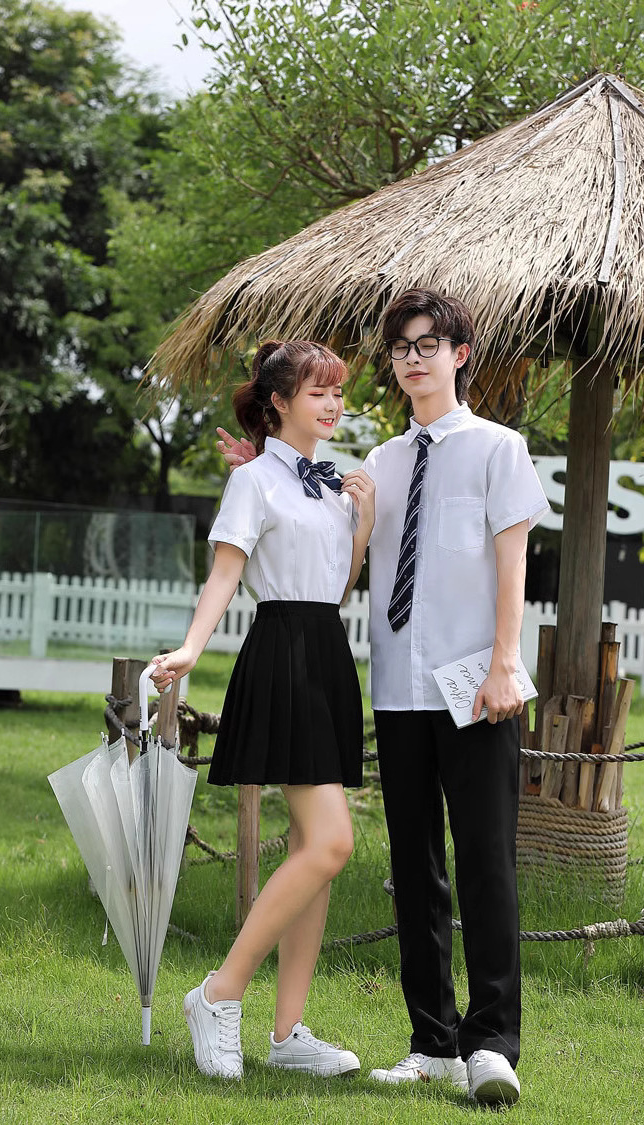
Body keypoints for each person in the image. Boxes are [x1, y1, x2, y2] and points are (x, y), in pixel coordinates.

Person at [217, 289, 548, 1107]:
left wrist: (505, 662)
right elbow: (318, 538)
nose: (412, 358)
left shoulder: (499, 449)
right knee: (414, 867)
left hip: (476, 688)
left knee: (485, 861)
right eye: (400, 346)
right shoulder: (380, 463)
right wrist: (259, 469)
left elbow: (512, 563)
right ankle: (431, 1042)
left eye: (428, 343)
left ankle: (491, 1043)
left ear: (459, 355)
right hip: (398, 688)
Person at [151, 340, 375, 1082]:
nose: (333, 404)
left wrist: (363, 522)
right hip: (282, 653)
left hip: (327, 649)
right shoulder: (252, 481)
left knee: (315, 850)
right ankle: (218, 992)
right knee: (331, 843)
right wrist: (191, 649)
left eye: (337, 391)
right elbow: (226, 573)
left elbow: (338, 585)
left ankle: (287, 1034)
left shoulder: (334, 487)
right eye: (317, 391)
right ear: (279, 402)